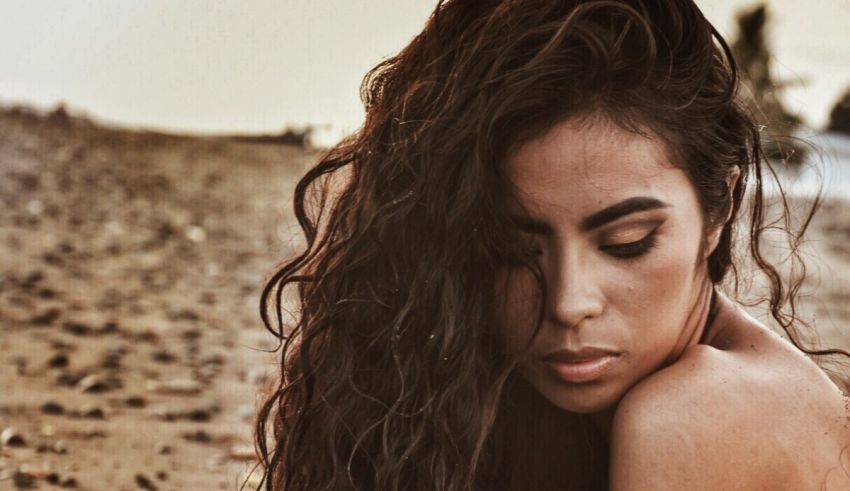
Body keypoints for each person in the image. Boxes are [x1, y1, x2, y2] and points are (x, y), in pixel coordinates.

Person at [252, 1, 850, 489]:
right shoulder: (496, 392)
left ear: (719, 208)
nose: (567, 303)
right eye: (513, 251)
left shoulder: (692, 415)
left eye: (626, 243)